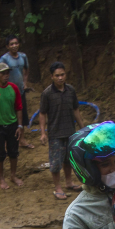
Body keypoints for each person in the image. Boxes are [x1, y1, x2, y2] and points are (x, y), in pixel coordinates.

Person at [39, 61, 86, 200]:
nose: (60, 78)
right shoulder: (47, 93)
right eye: (57, 75)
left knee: (68, 160)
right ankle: (58, 188)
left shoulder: (70, 90)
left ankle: (69, 182)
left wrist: (82, 126)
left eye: (62, 75)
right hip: (55, 133)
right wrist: (43, 132)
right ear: (52, 77)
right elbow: (42, 113)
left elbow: (76, 109)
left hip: (70, 132)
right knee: (55, 163)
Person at [0, 63, 24, 190]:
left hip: (12, 124)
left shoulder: (14, 88)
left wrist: (20, 125)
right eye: (3, 73)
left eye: (8, 73)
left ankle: (13, 175)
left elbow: (18, 107)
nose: (6, 76)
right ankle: (1, 178)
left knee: (13, 152)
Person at [0, 35, 34, 149]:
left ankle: (22, 140)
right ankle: (6, 141)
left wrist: (25, 82)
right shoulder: (4, 59)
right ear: (7, 46)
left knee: (22, 116)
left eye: (16, 43)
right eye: (11, 44)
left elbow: (26, 69)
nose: (14, 46)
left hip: (20, 92)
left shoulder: (23, 57)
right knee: (8, 116)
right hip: (8, 93)